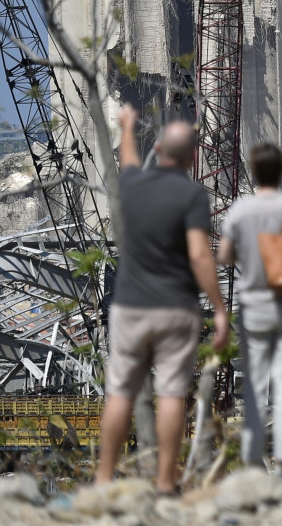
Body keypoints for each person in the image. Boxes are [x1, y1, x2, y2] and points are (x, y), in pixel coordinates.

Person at [96, 106, 229, 494]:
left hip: (131, 306)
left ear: (158, 149)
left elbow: (129, 159)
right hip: (175, 307)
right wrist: (219, 309)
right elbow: (200, 255)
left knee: (120, 392)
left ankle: (104, 478)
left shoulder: (133, 184)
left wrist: (126, 127)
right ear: (192, 158)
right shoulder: (191, 194)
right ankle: (166, 481)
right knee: (172, 393)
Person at [216, 143, 282, 479]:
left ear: (254, 171)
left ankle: (251, 464)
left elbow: (225, 255)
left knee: (256, 385)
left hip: (256, 306)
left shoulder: (242, 209)